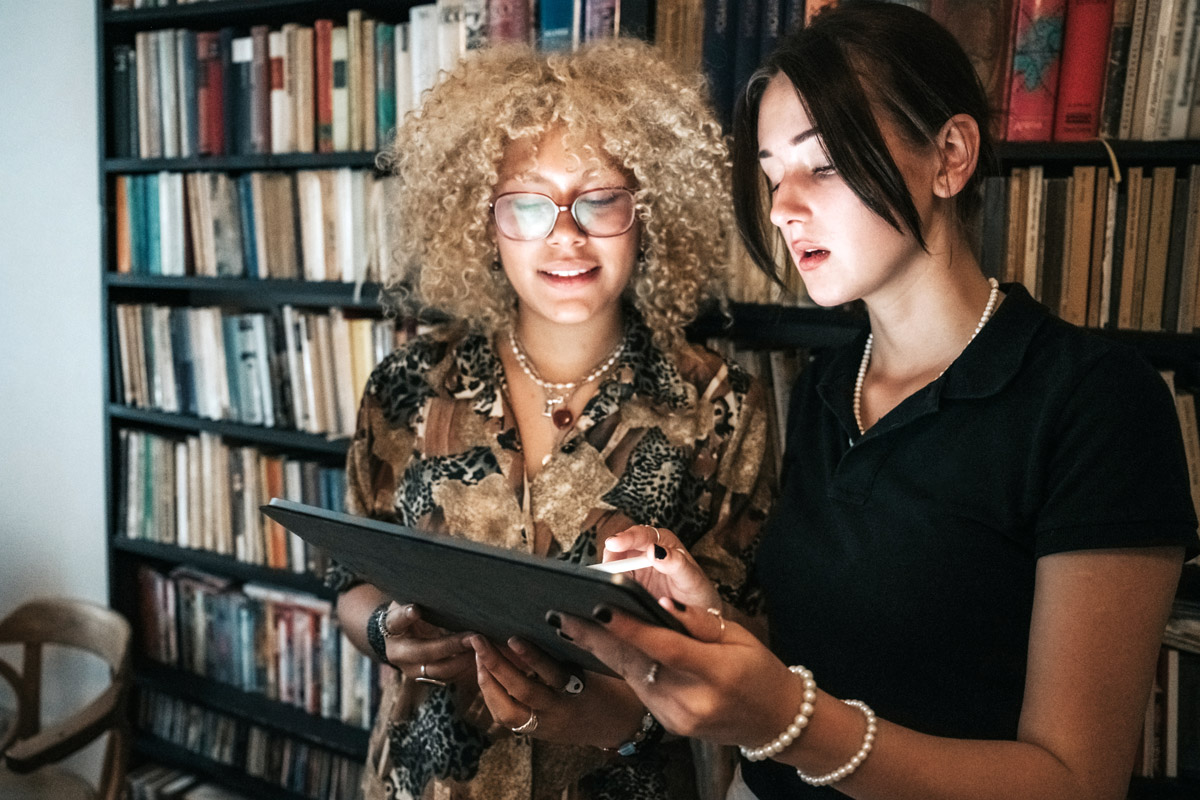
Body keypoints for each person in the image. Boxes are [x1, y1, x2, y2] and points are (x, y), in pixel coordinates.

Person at [513, 4, 1200, 799]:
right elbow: (823, 663)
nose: (780, 208)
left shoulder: (1095, 403)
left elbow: (1076, 782)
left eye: (824, 166)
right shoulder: (827, 389)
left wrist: (787, 724)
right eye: (772, 175)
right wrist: (712, 627)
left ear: (949, 155)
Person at [327, 40, 774, 800]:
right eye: (528, 204)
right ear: (483, 220)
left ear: (647, 209)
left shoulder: (718, 402)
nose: (566, 237)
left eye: (600, 199)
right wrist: (385, 632)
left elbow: (750, 639)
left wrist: (622, 719)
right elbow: (350, 581)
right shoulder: (408, 383)